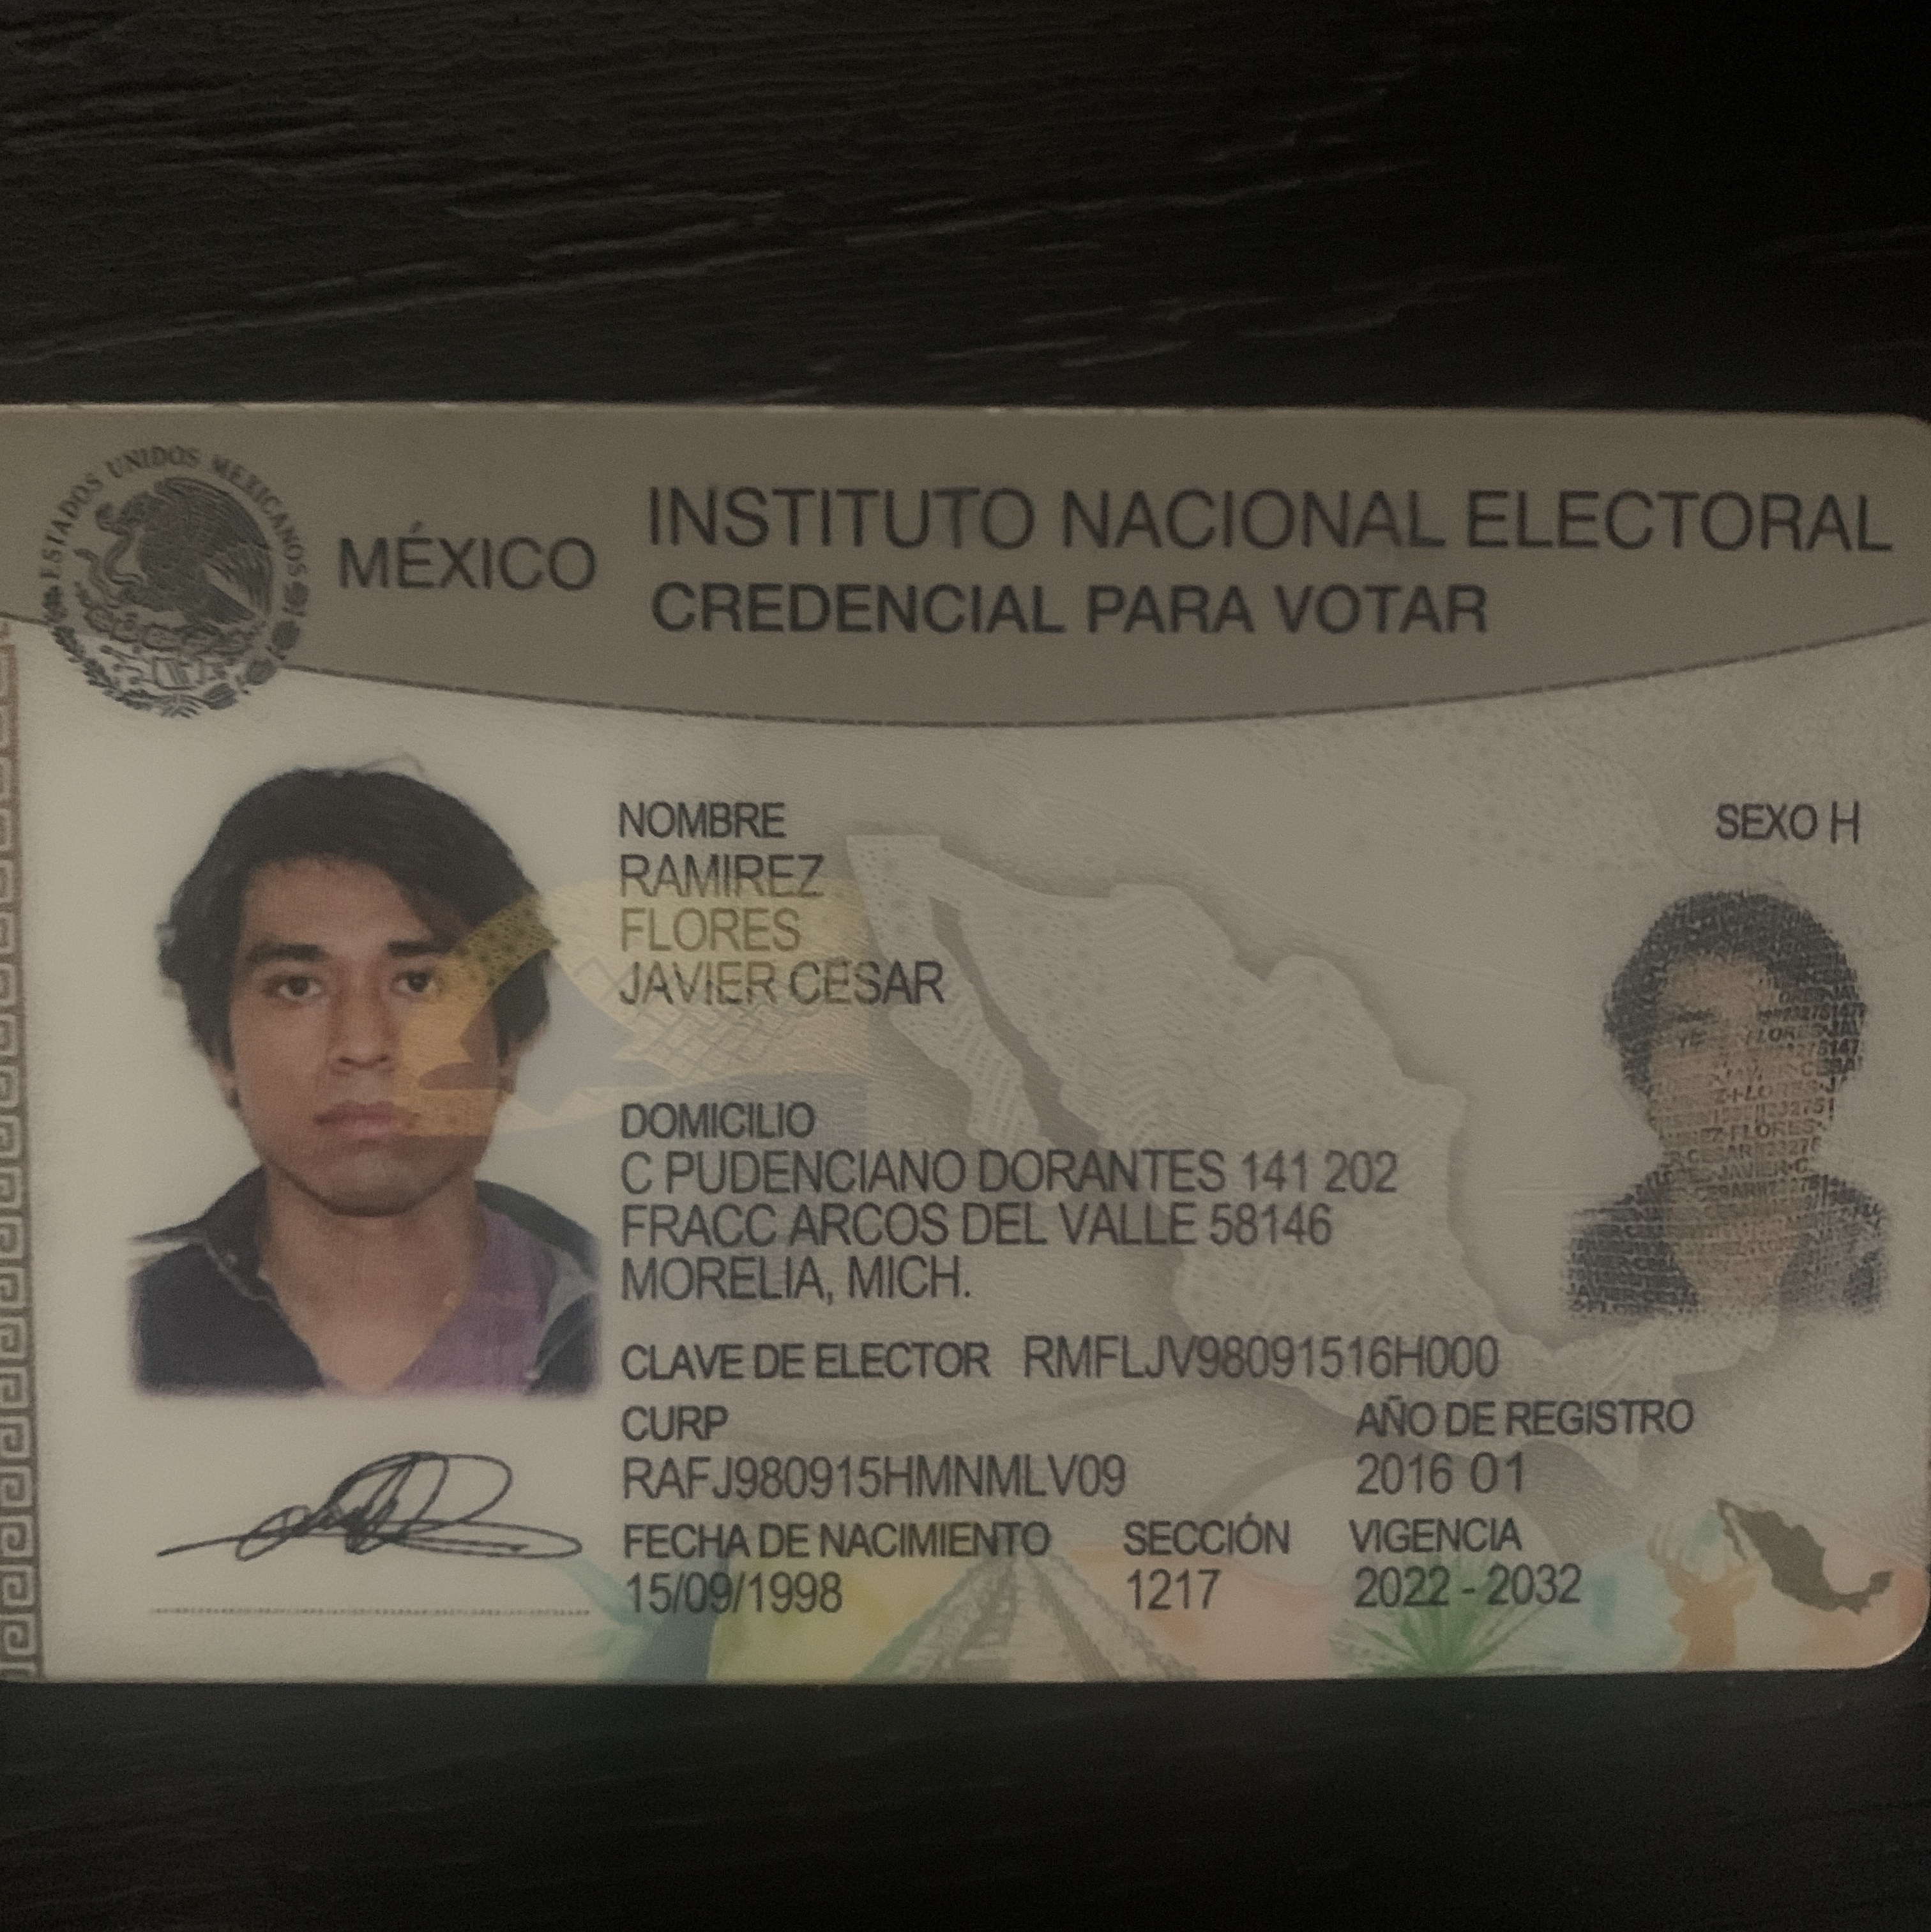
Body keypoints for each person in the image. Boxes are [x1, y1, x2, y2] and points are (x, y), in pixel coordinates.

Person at [133, 767, 596, 1394]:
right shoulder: (112, 1342)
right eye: (299, 986)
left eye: (420, 983)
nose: (363, 1045)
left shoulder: (646, 1324)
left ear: (508, 1047)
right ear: (222, 1053)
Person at [1568, 890, 1882, 1318]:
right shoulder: (1583, 1268)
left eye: (1778, 1037)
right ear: (1645, 1083)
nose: (1738, 1080)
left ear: (1830, 1076)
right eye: (1695, 1040)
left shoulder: (1891, 1252)